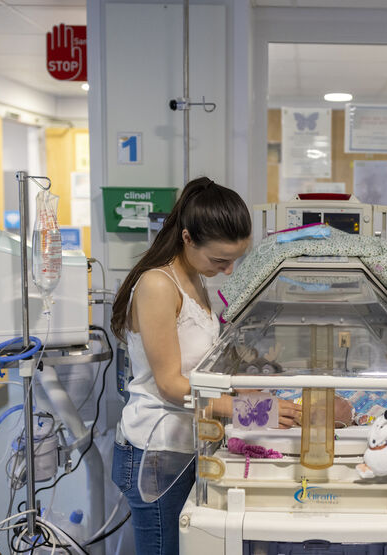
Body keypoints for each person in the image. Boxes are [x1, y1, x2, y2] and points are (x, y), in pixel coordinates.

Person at [110, 177, 302, 555]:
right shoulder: (158, 285)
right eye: (221, 260)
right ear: (186, 237)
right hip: (155, 449)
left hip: (185, 442)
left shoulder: (194, 278)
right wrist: (255, 411)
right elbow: (170, 385)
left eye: (235, 259)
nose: (229, 271)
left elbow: (200, 369)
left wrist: (245, 390)